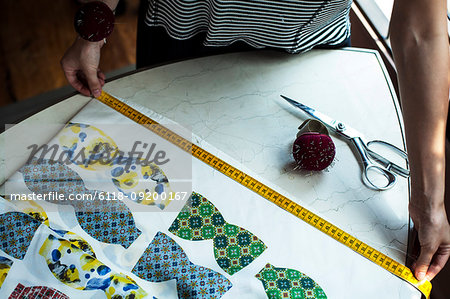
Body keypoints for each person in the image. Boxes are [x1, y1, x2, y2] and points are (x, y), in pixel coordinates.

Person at [61, 0, 450, 283]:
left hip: (310, 57)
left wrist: (430, 200)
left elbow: (421, 33)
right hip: (182, 38)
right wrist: (95, 23)